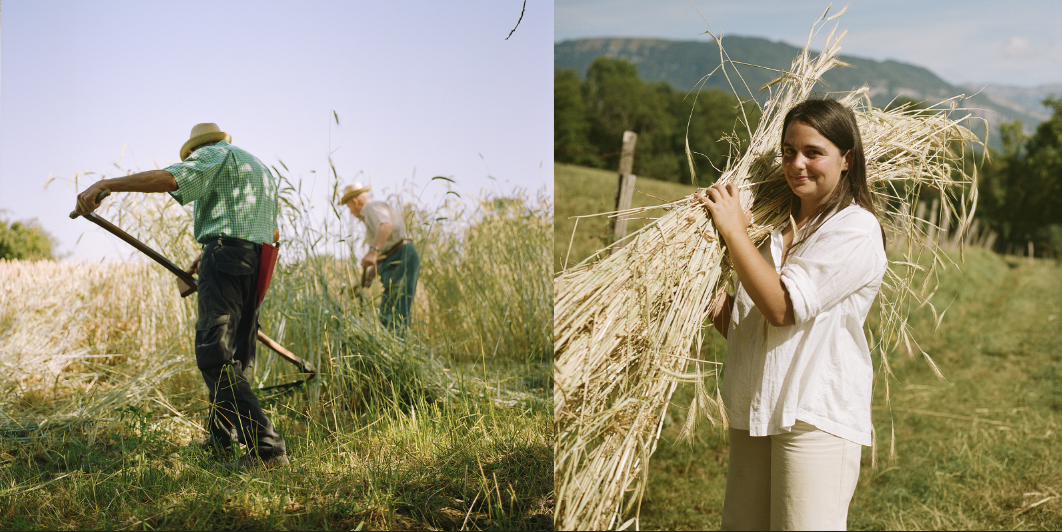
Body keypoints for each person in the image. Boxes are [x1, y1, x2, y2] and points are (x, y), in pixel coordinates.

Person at [695, 99, 887, 530]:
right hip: (753, 411)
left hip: (812, 419)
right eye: (788, 152)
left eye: (813, 152)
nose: (797, 164)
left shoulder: (854, 228)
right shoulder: (771, 230)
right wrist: (700, 294)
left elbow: (782, 309)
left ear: (846, 159)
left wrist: (732, 232)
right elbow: (752, 330)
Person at [75, 122, 288, 471]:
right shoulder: (257, 167)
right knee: (234, 353)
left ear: (194, 151)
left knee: (214, 353)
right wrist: (214, 252)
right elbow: (270, 229)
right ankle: (223, 437)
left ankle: (267, 449)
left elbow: (171, 179)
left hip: (227, 258)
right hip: (254, 259)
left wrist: (106, 183)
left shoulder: (210, 154)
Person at [339, 182, 420, 333]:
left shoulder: (371, 208)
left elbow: (386, 225)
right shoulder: (371, 211)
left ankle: (395, 350)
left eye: (349, 206)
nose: (350, 212)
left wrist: (372, 252)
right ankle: (393, 347)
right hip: (394, 257)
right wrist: (373, 270)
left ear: (355, 202)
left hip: (401, 256)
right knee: (391, 308)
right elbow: (387, 245)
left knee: (394, 310)